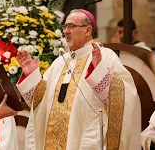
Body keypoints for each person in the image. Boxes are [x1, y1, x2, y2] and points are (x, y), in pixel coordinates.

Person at [16, 9, 138, 149]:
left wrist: (98, 72)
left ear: (88, 30)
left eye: (72, 26)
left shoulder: (105, 56)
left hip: (86, 140)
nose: (66, 31)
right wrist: (31, 77)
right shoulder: (59, 62)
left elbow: (124, 96)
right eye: (65, 26)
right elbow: (40, 101)